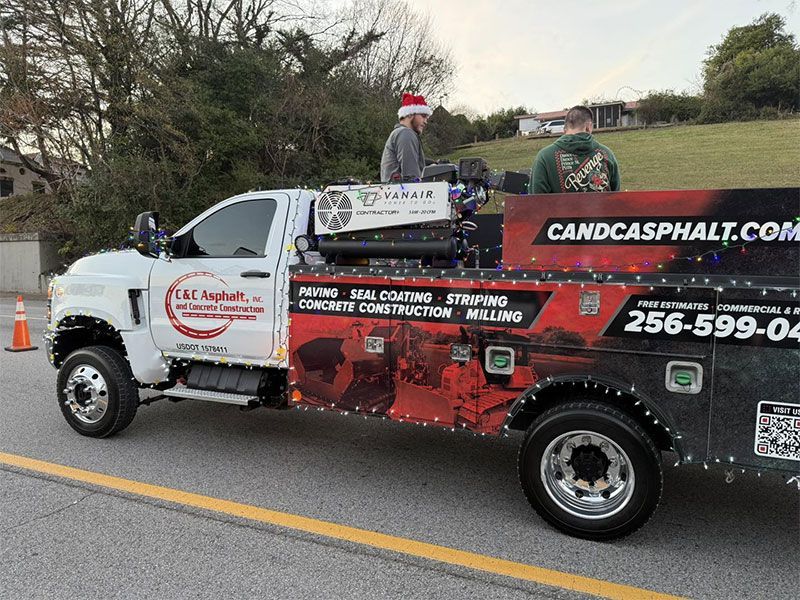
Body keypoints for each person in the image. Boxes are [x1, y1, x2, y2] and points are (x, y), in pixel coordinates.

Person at [531, 105, 620, 193]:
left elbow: (536, 201)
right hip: (602, 207)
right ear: (589, 127)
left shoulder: (544, 157)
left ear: (564, 129)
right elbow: (616, 197)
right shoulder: (607, 154)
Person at [380, 93, 432, 182]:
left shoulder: (398, 133)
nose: (425, 121)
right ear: (410, 114)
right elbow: (412, 177)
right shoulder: (406, 133)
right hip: (404, 193)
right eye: (423, 116)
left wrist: (432, 164)